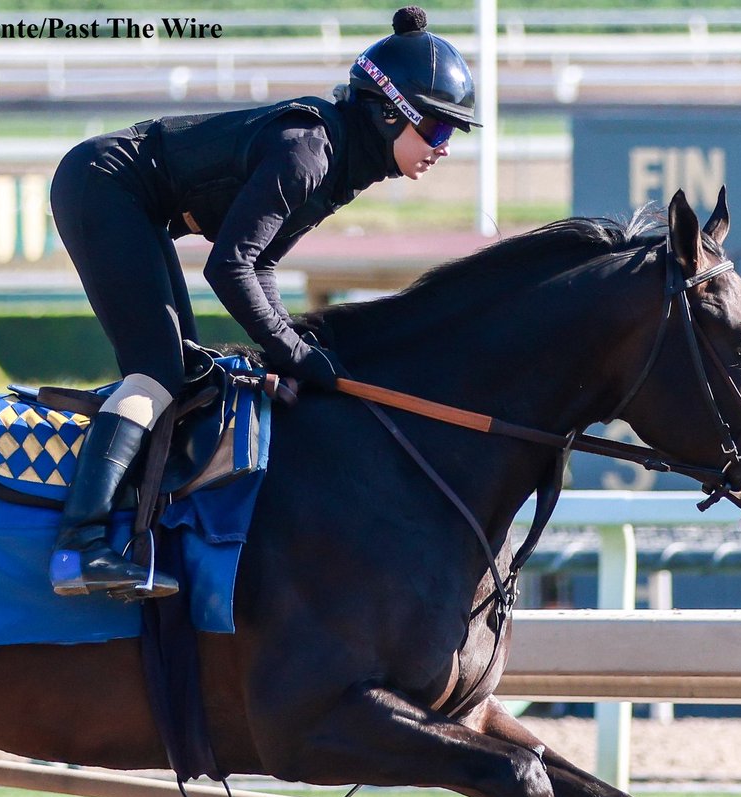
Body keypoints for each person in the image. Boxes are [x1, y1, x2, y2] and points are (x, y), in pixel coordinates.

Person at [47, 5, 478, 599]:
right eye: (437, 130)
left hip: (130, 199)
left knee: (185, 370)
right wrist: (295, 352)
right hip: (102, 184)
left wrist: (290, 345)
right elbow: (229, 267)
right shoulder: (309, 153)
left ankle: (138, 525)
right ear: (388, 114)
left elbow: (262, 263)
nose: (444, 147)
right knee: (157, 373)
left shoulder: (341, 162)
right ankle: (79, 546)